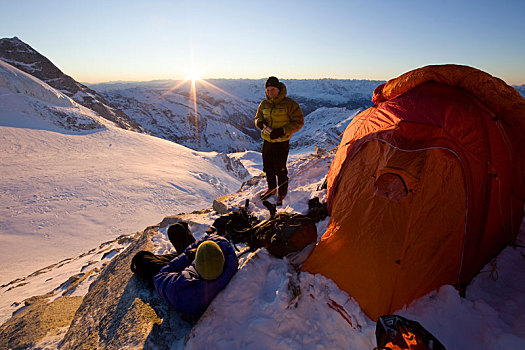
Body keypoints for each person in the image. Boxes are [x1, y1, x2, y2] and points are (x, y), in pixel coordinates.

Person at [131, 222, 239, 316]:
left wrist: (186, 256)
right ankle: (185, 244)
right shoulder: (229, 260)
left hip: (181, 270)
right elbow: (213, 240)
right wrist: (194, 253)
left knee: (142, 259)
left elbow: (160, 276)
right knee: (176, 229)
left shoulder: (184, 291)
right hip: (196, 262)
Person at [255, 76, 304, 206]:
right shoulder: (264, 104)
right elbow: (257, 117)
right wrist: (259, 123)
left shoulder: (289, 104)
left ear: (279, 89)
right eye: (268, 90)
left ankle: (282, 192)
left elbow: (299, 122)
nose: (270, 93)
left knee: (280, 169)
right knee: (268, 167)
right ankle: (271, 188)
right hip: (267, 141)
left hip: (281, 142)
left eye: (273, 89)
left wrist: (282, 131)